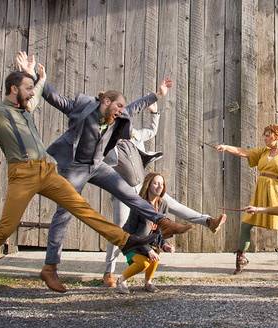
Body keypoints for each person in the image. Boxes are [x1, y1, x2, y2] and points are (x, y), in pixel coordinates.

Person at [0, 48, 155, 299]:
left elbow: (39, 93)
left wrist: (36, 77)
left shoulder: (27, 109)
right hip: (22, 175)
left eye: (31, 88)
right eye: (26, 88)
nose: (31, 92)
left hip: (47, 171)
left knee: (80, 207)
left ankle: (126, 240)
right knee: (6, 227)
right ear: (14, 89)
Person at [14, 53, 193, 293]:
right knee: (64, 213)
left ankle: (163, 222)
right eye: (118, 105)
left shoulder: (118, 115)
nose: (121, 111)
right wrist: (32, 74)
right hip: (76, 167)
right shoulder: (82, 107)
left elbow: (136, 106)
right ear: (106, 101)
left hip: (97, 165)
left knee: (130, 194)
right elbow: (54, 98)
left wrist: (157, 94)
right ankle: (50, 267)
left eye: (122, 108)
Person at [102, 102, 226, 287]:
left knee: (174, 206)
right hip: (122, 189)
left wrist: (155, 112)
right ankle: (108, 273)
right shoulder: (106, 142)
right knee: (119, 229)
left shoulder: (134, 135)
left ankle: (208, 221)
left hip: (142, 187)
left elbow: (151, 131)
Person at [215, 124, 278, 275]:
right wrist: (226, 147)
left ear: (277, 136)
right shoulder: (264, 152)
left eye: (268, 135)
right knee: (246, 224)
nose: (265, 138)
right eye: (265, 135)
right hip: (260, 192)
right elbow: (244, 152)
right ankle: (241, 258)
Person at [116, 173, 174, 294]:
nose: (159, 187)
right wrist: (148, 250)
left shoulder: (163, 204)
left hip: (148, 242)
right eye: (156, 183)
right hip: (131, 241)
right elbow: (134, 233)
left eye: (162, 184)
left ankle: (148, 283)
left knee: (155, 258)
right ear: (148, 185)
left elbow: (160, 229)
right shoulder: (139, 204)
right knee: (143, 263)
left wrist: (164, 245)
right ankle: (121, 280)